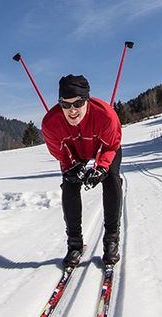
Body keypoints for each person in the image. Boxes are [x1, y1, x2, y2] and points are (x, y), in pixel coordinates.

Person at [41, 74, 123, 268]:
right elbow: (60, 152)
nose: (72, 110)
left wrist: (101, 167)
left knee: (111, 179)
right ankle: (74, 244)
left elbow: (111, 145)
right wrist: (72, 168)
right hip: (75, 151)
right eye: (65, 104)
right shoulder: (50, 123)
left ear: (87, 99)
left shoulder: (106, 115)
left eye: (78, 103)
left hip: (103, 147)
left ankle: (111, 240)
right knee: (69, 185)